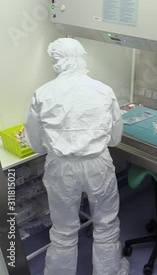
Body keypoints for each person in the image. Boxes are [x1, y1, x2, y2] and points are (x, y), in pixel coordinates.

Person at [24, 38, 129, 275]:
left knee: (63, 229)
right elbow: (115, 138)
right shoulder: (103, 89)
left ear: (56, 61)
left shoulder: (42, 93)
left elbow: (35, 142)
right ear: (82, 58)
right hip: (98, 164)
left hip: (61, 167)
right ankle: (108, 271)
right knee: (106, 222)